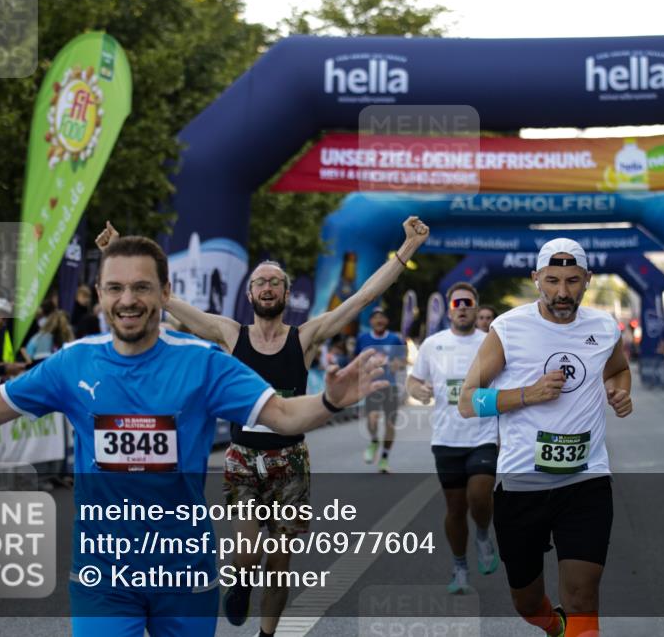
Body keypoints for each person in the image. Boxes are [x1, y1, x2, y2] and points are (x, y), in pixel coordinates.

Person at [0, 235, 387, 637]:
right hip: (102, 576)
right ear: (100, 293)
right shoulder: (73, 362)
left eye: (140, 287)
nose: (127, 299)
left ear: (164, 292)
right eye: (114, 288)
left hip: (185, 575)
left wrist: (329, 400)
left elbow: (281, 415)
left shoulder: (203, 363)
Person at [96, 216, 430, 636]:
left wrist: (408, 248)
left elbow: (364, 296)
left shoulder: (305, 337)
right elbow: (168, 301)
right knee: (249, 552)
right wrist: (118, 251)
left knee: (279, 564)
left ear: (286, 294)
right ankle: (239, 581)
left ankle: (267, 634)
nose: (267, 287)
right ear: (249, 294)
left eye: (275, 282)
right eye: (260, 282)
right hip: (242, 458)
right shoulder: (229, 334)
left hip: (290, 460)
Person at [457, 238, 634, 637]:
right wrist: (527, 394)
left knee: (583, 597)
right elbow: (467, 402)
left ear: (588, 279)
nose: (562, 292)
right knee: (527, 603)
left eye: (572, 281)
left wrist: (620, 391)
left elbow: (618, 370)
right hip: (522, 484)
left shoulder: (604, 327)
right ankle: (552, 625)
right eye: (552, 281)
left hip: (586, 480)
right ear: (536, 279)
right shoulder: (508, 329)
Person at [406, 282, 499, 595]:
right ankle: (460, 566)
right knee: (456, 509)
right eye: (456, 303)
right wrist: (418, 390)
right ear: (449, 310)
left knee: (480, 497)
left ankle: (483, 533)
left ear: (476, 307)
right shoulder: (433, 344)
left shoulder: (491, 343)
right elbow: (413, 381)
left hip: (484, 434)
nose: (462, 308)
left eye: (467, 303)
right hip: (447, 438)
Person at [356, 307, 408, 473]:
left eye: (382, 317)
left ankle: (384, 458)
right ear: (371, 321)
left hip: (390, 386)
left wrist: (396, 364)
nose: (378, 320)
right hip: (371, 385)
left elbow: (403, 360)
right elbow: (355, 360)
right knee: (372, 419)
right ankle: (374, 440)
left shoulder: (394, 339)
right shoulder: (363, 338)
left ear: (386, 321)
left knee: (390, 424)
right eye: (375, 317)